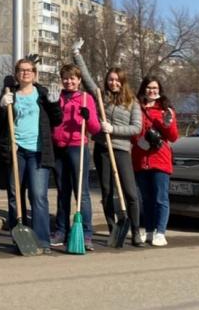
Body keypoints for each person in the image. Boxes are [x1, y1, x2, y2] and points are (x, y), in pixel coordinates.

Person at [72, 41, 144, 246]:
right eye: (110, 80)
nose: (113, 83)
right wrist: (76, 54)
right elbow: (85, 78)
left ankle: (136, 230)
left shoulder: (132, 102)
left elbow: (136, 128)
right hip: (103, 150)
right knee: (106, 191)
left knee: (130, 192)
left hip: (121, 150)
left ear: (122, 82)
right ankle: (113, 228)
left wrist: (114, 130)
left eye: (117, 80)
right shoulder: (100, 97)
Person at [0, 58, 62, 253]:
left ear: (35, 73)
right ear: (16, 74)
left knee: (38, 196)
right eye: (21, 70)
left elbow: (57, 120)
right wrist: (1, 106)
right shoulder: (9, 94)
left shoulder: (43, 94)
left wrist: (55, 105)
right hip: (16, 150)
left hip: (38, 152)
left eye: (29, 70)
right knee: (15, 196)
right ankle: (19, 238)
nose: (25, 73)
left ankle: (42, 240)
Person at [51, 63, 101, 251]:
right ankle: (61, 230)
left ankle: (86, 233)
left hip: (77, 147)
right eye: (65, 78)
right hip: (59, 147)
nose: (69, 81)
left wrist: (88, 118)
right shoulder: (58, 98)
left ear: (79, 80)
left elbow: (95, 129)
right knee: (63, 191)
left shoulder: (86, 99)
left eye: (72, 78)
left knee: (82, 193)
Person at [132, 75, 179, 247]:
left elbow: (173, 136)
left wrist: (166, 123)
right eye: (149, 87)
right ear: (144, 88)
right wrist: (139, 140)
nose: (152, 91)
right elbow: (133, 131)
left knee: (160, 198)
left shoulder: (165, 109)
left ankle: (161, 232)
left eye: (155, 88)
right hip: (140, 158)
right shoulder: (136, 107)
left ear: (159, 91)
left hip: (160, 159)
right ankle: (149, 230)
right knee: (146, 198)